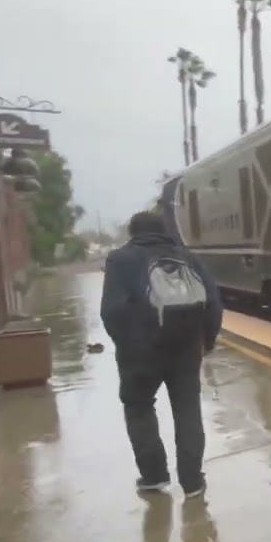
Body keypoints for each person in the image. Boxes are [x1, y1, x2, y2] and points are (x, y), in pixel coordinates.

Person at [101, 210, 222, 498]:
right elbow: (213, 303)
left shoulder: (120, 259)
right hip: (186, 349)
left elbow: (112, 311)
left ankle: (154, 476)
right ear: (164, 230)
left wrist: (127, 344)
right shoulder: (186, 256)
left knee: (139, 408)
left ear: (133, 233)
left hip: (140, 354)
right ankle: (193, 481)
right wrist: (207, 340)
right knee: (188, 410)